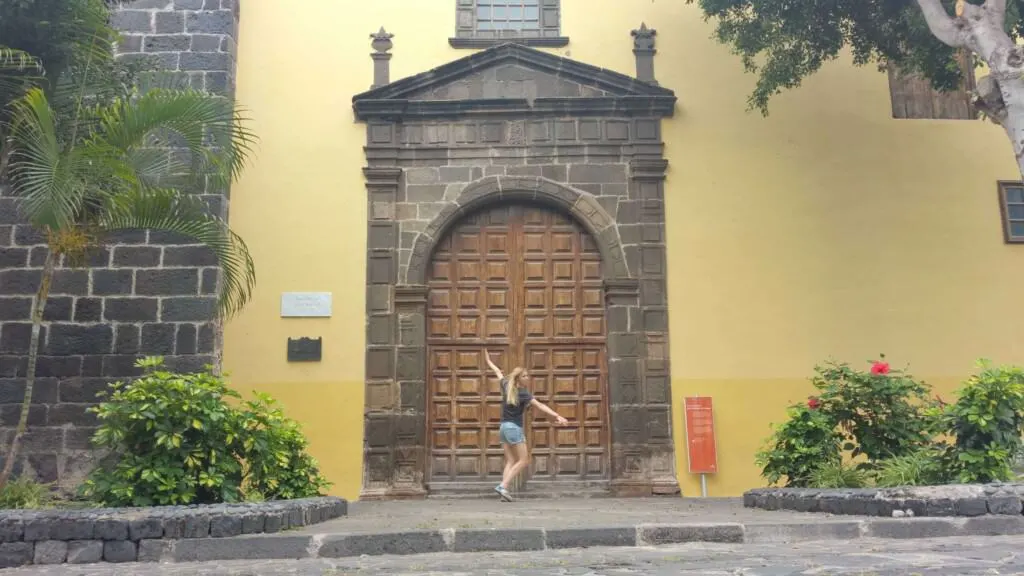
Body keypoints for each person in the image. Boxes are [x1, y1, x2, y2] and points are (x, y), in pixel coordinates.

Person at [484, 349, 568, 502]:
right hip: (514, 429)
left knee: (510, 460)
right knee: (524, 460)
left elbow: (497, 371)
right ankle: (503, 486)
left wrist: (488, 360)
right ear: (518, 378)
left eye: (527, 375)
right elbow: (540, 406)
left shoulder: (505, 386)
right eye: (524, 376)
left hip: (503, 428)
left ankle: (504, 492)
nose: (527, 377)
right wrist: (557, 416)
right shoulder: (523, 393)